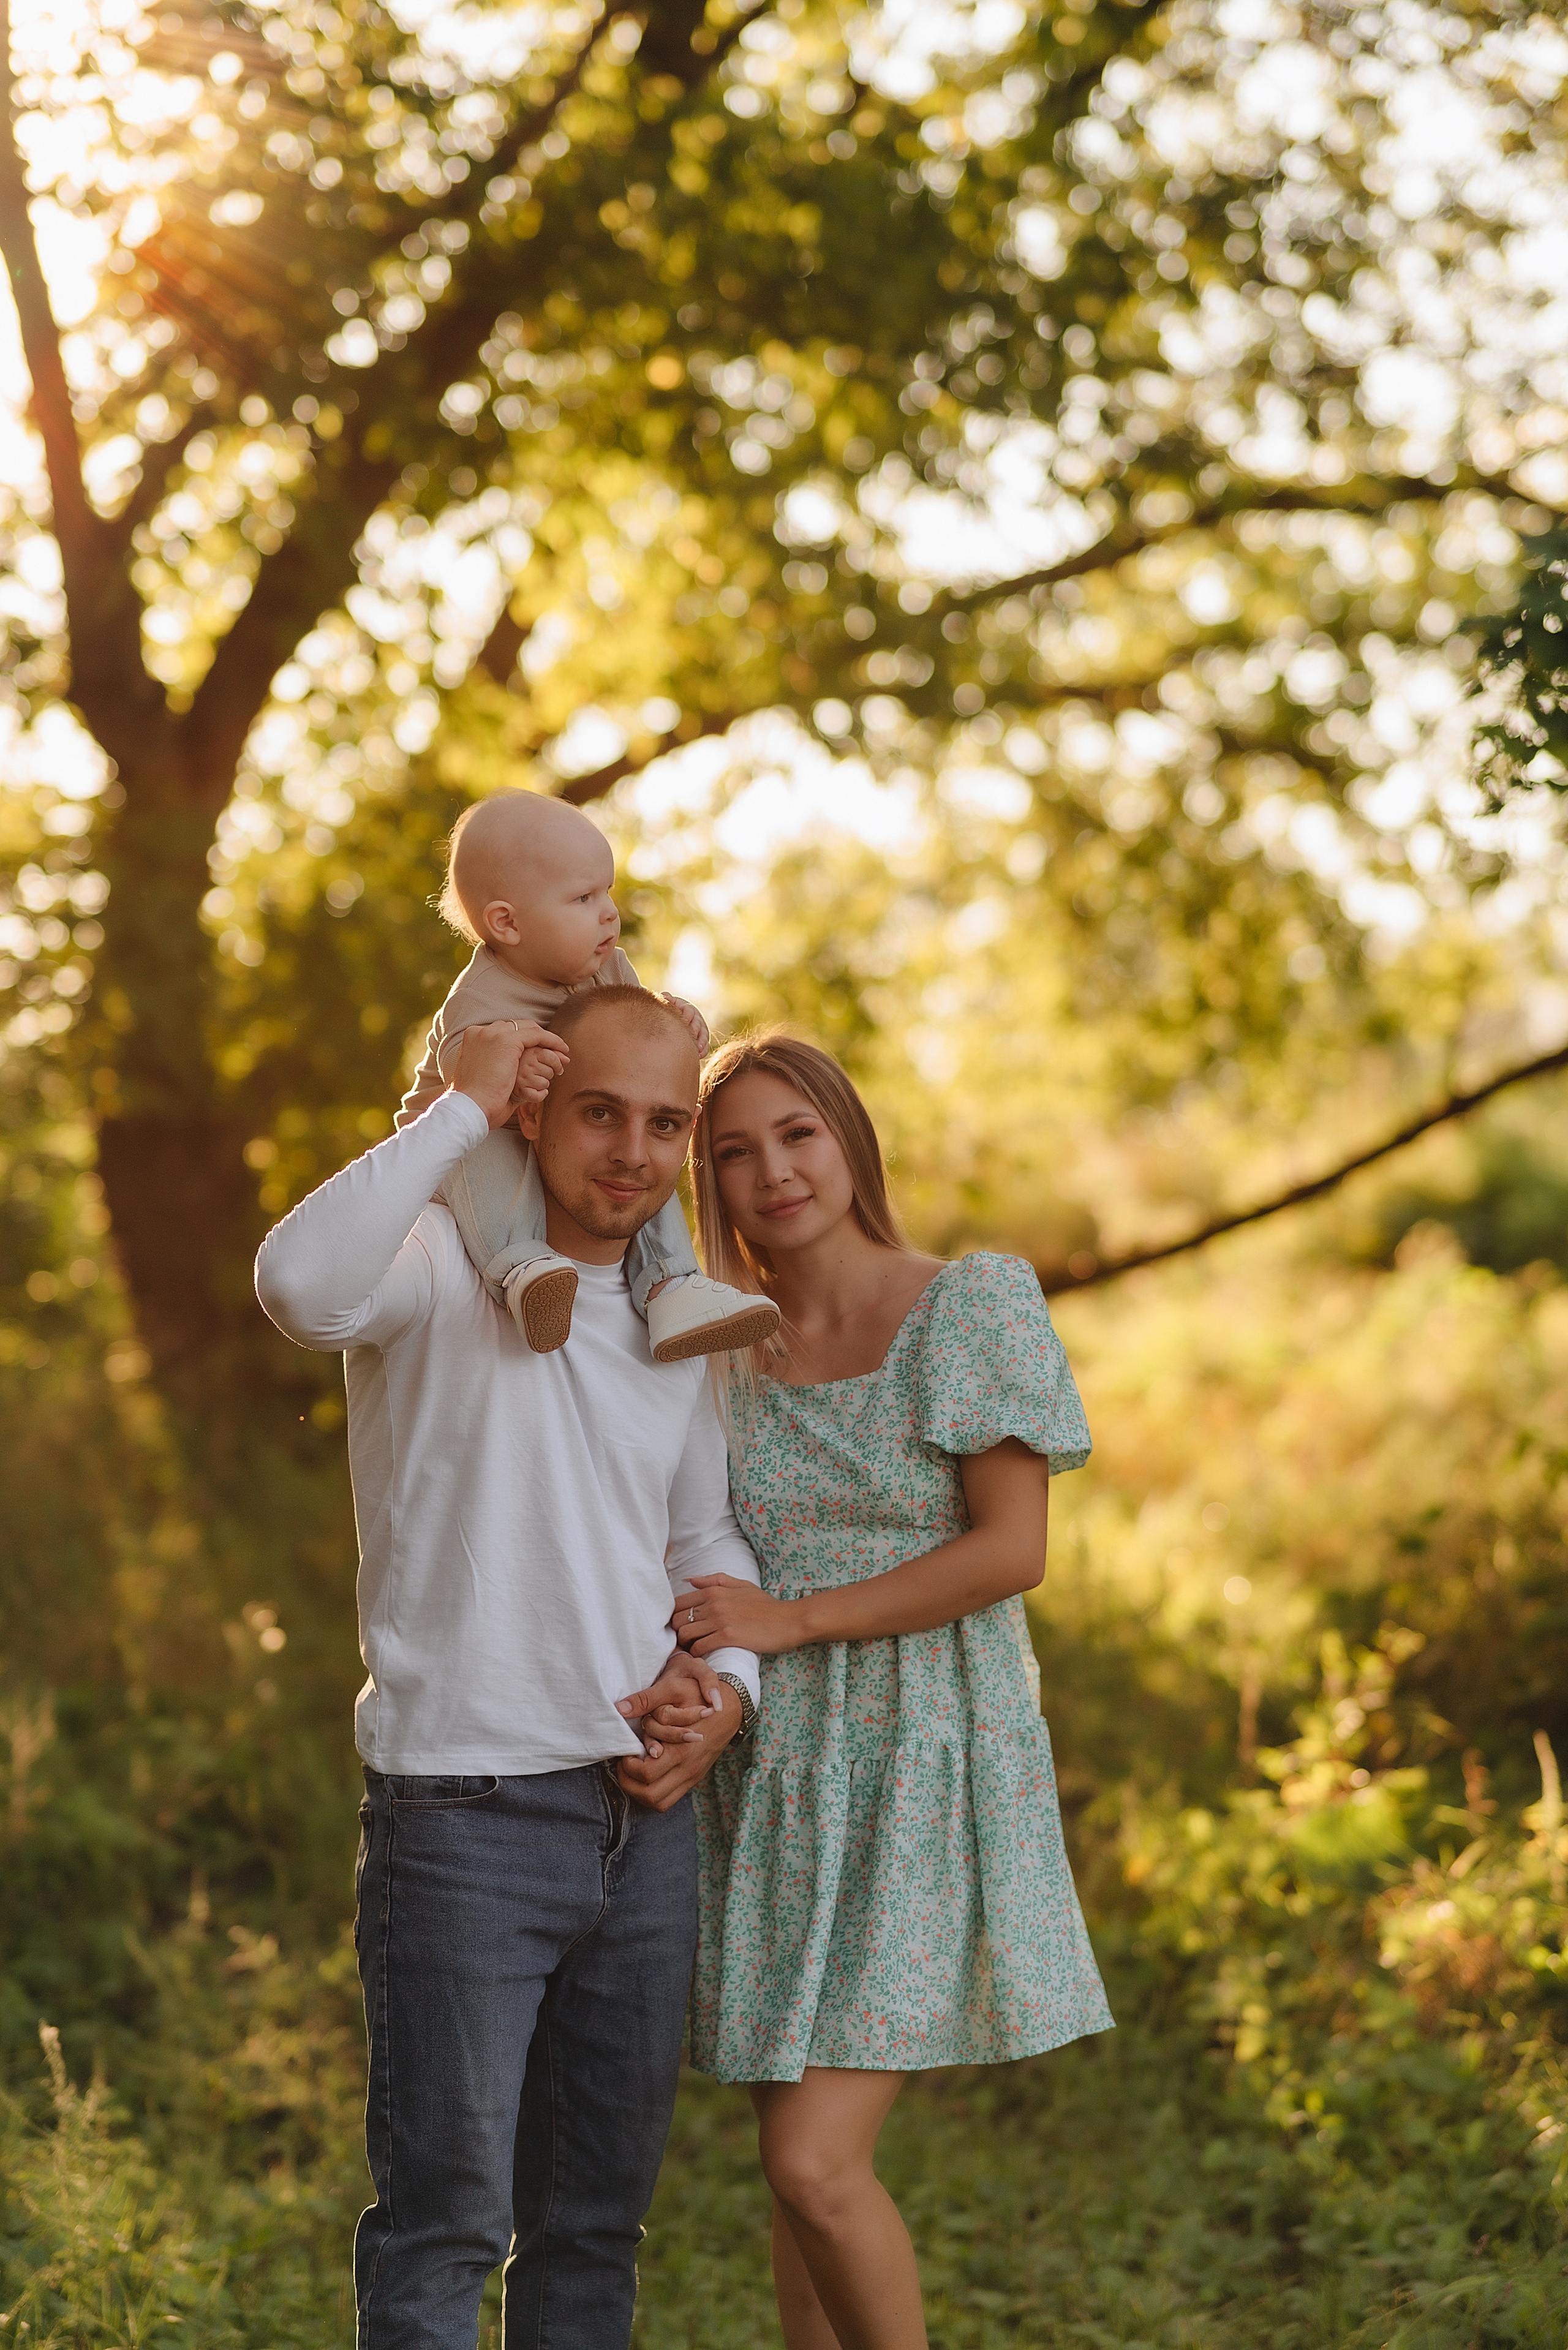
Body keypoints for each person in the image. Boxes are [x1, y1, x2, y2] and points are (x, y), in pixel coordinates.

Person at [254, 987, 763, 2350]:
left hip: (640, 1818)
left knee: (592, 2229)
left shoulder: (678, 1315)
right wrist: (459, 1108)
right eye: (600, 1110)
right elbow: (297, 1285)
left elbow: (703, 1536)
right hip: (463, 1812)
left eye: (666, 1122)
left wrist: (726, 1695)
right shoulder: (432, 1264)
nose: (633, 1152)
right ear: (538, 1102)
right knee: (445, 2226)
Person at [667, 1030, 1111, 2350]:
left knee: (814, 2160)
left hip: (924, 1755)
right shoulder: (714, 1350)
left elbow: (1007, 1548)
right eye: (734, 1150)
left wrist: (793, 1620)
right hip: (778, 1776)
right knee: (792, 2177)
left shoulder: (968, 1303)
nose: (771, 1171)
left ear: (849, 1142)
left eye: (796, 1133)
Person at [398, 788, 778, 1363]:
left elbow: (637, 1026)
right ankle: (524, 1271)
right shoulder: (481, 995)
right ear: (508, 923)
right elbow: (464, 1068)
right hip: (480, 1139)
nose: (608, 912)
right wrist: (515, 1068)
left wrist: (678, 1022)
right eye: (582, 897)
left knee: (644, 1146)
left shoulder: (606, 965)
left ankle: (672, 1284)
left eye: (608, 892)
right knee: (483, 1160)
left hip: (566, 1132)